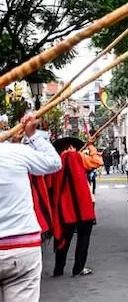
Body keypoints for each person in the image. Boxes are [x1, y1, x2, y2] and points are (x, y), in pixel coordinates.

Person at [0, 114, 60, 301]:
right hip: (22, 247)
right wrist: (33, 135)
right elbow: (54, 163)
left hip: (22, 245)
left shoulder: (15, 151)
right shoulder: (15, 152)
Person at [49, 137, 102, 278]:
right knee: (83, 238)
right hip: (83, 207)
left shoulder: (55, 161)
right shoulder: (78, 157)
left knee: (63, 239)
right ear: (72, 147)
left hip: (64, 208)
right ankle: (78, 268)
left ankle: (58, 269)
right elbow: (98, 161)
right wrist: (91, 146)